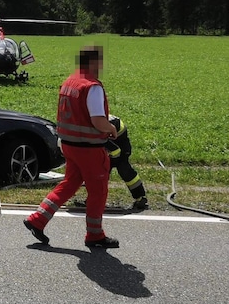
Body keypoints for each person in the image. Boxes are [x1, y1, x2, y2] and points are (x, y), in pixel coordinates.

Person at [23, 45, 119, 248]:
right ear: (93, 62)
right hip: (89, 148)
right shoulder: (91, 86)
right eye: (100, 62)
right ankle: (95, 235)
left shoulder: (70, 81)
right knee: (98, 190)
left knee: (70, 183)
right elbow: (97, 119)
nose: (102, 66)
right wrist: (111, 128)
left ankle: (37, 219)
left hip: (69, 145)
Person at [107, 114, 147, 210]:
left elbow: (115, 150)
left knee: (125, 170)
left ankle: (140, 197)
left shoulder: (99, 125)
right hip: (110, 141)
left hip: (121, 144)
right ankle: (94, 199)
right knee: (102, 172)